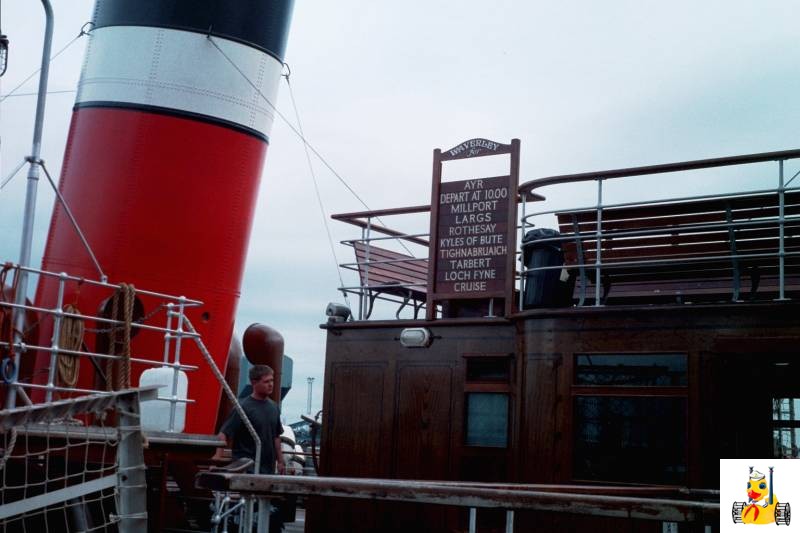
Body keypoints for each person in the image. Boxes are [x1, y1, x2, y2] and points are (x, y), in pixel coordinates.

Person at [216, 364, 285, 475]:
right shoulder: (242, 407)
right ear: (254, 383)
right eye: (266, 381)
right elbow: (224, 433)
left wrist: (280, 461)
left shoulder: (274, 407)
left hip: (267, 469)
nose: (271, 384)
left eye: (272, 380)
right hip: (246, 468)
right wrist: (216, 460)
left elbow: (276, 437)